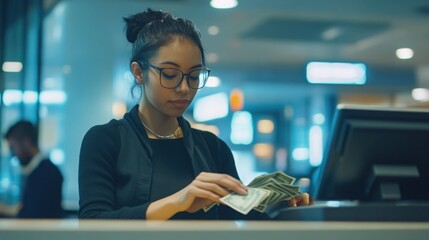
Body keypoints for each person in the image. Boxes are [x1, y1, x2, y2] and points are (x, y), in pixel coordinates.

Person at [78, 8, 311, 220]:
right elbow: (92, 222)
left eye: (194, 75)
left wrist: (281, 208)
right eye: (170, 74)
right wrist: (179, 201)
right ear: (139, 73)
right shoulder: (106, 140)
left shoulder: (212, 148)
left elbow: (238, 219)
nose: (184, 88)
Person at [1, 120, 63, 218]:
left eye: (13, 147)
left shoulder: (46, 173)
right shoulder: (38, 171)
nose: (13, 154)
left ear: (27, 142)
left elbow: (32, 214)